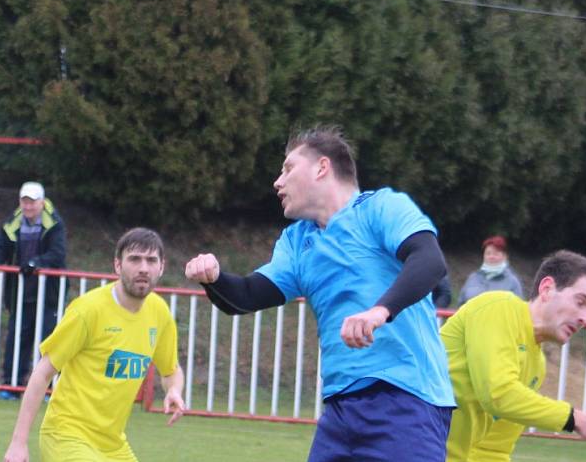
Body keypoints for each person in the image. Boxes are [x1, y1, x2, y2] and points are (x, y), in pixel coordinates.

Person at [185, 125, 455, 462]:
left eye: (287, 169)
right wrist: (214, 278)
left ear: (322, 167)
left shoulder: (382, 207)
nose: (277, 182)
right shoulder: (297, 241)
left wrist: (379, 311)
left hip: (406, 399)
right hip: (340, 410)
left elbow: (430, 261)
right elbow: (247, 295)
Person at [3, 227, 184, 462]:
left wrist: (174, 390)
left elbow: (171, 370)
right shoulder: (87, 310)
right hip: (66, 436)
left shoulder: (159, 313)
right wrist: (18, 443)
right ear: (117, 265)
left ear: (161, 267)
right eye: (134, 259)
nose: (143, 268)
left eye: (151, 260)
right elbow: (42, 373)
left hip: (113, 445)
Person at [441, 250, 586, 461]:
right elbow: (497, 394)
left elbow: (493, 449)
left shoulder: (536, 365)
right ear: (547, 288)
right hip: (407, 441)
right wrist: (575, 418)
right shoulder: (498, 307)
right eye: (580, 302)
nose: (585, 319)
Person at [0, 181, 67, 399]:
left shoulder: (54, 223)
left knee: (49, 342)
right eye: (24, 202)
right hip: (21, 292)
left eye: (32, 202)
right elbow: (1, 243)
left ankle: (49, 389)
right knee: (16, 338)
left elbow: (57, 254)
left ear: (41, 202)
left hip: (48, 294)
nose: (28, 207)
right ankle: (11, 386)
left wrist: (36, 263)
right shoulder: (14, 220)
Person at [457, 235, 523, 306]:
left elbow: (517, 309)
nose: (491, 256)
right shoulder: (473, 278)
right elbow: (461, 304)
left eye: (496, 254)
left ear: (505, 256)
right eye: (488, 253)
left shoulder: (512, 281)